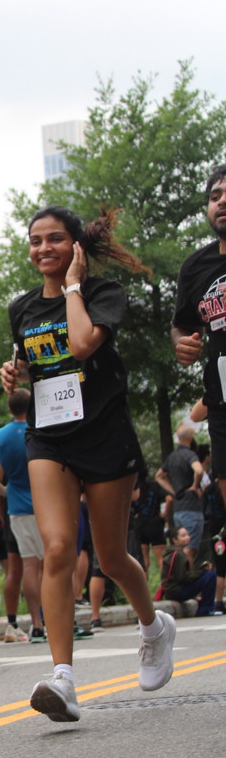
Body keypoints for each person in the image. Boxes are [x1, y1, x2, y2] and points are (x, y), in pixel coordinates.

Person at [0, 204, 175, 722]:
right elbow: (39, 362)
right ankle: (64, 678)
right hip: (49, 439)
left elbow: (79, 345)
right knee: (56, 549)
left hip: (103, 435)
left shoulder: (103, 293)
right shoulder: (22, 308)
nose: (43, 248)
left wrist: (73, 286)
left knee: (111, 557)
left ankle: (153, 629)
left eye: (55, 239)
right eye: (35, 240)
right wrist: (16, 373)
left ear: (75, 246)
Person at [0, 389, 45, 642]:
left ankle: (36, 624)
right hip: (46, 504)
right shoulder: (39, 429)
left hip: (17, 507)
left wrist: (1, 489)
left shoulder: (1, 435)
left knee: (27, 567)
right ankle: (54, 619)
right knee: (50, 566)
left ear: (10, 409)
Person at [171, 163, 226, 506]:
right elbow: (182, 325)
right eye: (215, 196)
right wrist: (182, 344)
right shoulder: (195, 268)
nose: (222, 201)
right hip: (222, 401)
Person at [155, 423, 206, 557]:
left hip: (178, 509)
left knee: (181, 547)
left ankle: (180, 569)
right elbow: (199, 470)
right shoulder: (190, 455)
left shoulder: (171, 457)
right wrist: (195, 486)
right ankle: (186, 570)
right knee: (190, 548)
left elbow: (158, 476)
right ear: (190, 437)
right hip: (192, 507)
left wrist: (174, 491)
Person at [158, 526, 217, 613]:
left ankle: (205, 607)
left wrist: (200, 571)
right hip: (176, 591)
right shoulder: (178, 554)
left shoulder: (173, 552)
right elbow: (183, 577)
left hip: (171, 591)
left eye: (187, 535)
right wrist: (202, 572)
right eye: (183, 536)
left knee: (207, 574)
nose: (187, 537)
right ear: (175, 540)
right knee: (210, 575)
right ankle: (205, 609)